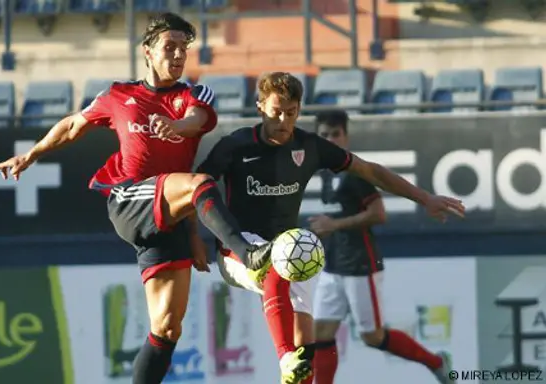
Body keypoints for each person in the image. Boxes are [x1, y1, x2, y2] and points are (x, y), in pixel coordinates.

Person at [0, 13, 273, 384]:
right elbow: (74, 125)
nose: (176, 56)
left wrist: (191, 234)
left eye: (183, 50)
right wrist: (32, 154)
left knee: (167, 329)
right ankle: (249, 255)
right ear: (148, 52)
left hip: (165, 215)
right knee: (201, 182)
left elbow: (195, 119)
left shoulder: (193, 94)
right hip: (127, 199)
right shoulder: (117, 95)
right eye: (168, 47)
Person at [196, 72, 465, 384]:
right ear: (259, 107)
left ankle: (296, 364)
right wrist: (193, 238)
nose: (283, 121)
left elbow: (371, 171)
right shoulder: (235, 145)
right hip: (239, 251)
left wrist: (425, 197)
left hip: (292, 252)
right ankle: (284, 357)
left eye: (291, 113)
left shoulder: (310, 147)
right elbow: (197, 189)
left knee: (307, 345)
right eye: (275, 112)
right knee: (277, 280)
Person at [308, 110, 456, 384]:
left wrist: (334, 225)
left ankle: (436, 362)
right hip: (334, 265)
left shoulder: (355, 172)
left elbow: (379, 214)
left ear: (346, 136)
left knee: (372, 336)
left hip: (362, 264)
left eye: (335, 134)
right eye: (324, 135)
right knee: (320, 333)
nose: (330, 139)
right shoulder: (327, 172)